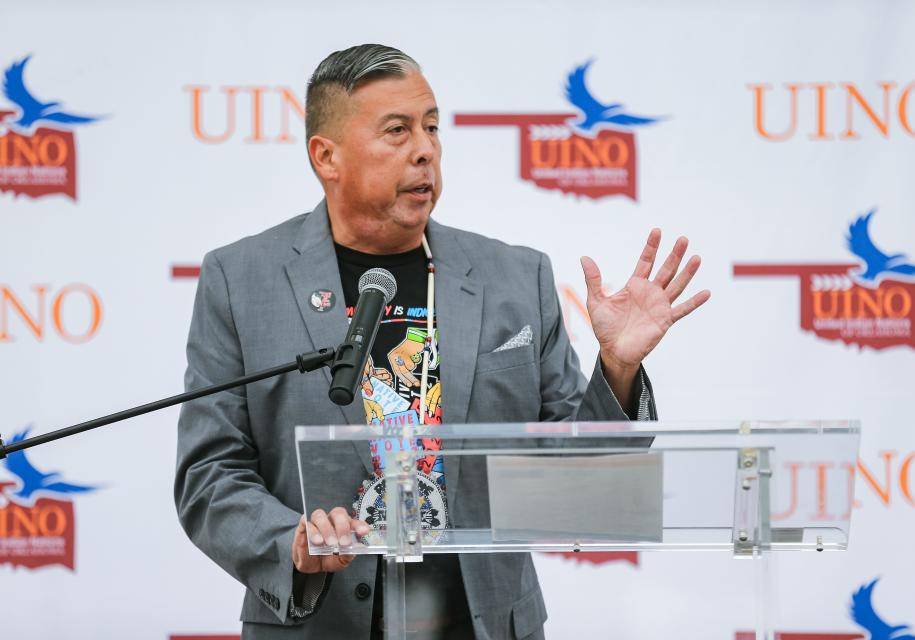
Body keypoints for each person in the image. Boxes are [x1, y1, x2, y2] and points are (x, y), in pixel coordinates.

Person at [175, 44, 709, 640]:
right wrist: (290, 542)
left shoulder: (515, 277)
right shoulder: (242, 279)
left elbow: (578, 483)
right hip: (320, 622)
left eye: (431, 127)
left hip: (481, 622)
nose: (425, 149)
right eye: (397, 131)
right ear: (326, 157)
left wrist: (616, 367)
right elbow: (210, 475)